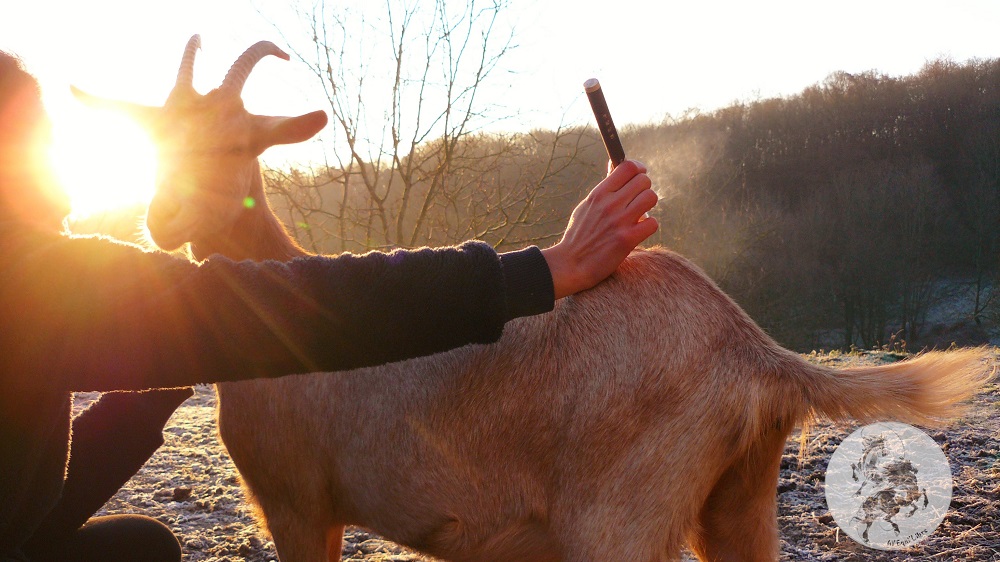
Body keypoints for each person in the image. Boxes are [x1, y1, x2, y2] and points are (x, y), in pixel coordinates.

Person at [0, 51, 659, 562]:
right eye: (38, 151)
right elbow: (310, 308)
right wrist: (546, 268)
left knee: (144, 549)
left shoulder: (29, 282)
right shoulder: (24, 278)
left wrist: (156, 381)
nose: (60, 179)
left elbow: (31, 501)